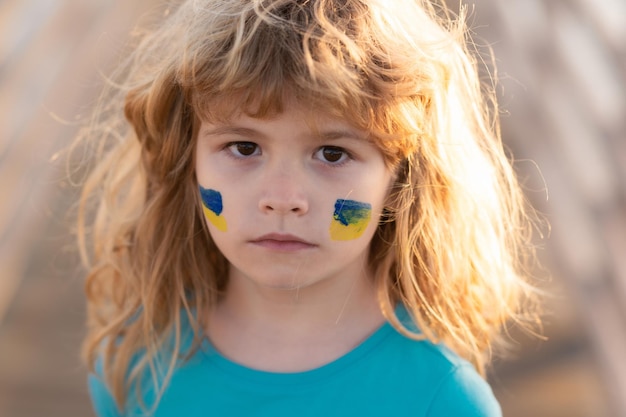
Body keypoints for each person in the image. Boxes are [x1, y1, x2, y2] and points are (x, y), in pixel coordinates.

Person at [78, 0, 540, 415]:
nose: (282, 198)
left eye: (333, 154)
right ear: (188, 159)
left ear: (400, 178)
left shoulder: (441, 400)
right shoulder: (134, 367)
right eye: (243, 147)